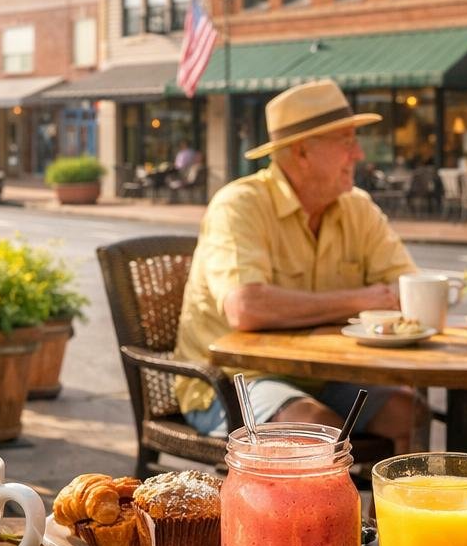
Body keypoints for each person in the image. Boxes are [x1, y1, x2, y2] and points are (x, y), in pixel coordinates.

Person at [173, 79, 428, 451]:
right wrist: (361, 300)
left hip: (324, 376)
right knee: (318, 430)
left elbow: (408, 291)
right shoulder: (240, 205)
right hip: (230, 382)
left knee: (411, 414)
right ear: (301, 153)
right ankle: (326, 511)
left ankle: (387, 511)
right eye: (346, 142)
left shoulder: (357, 207)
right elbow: (246, 308)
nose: (358, 153)